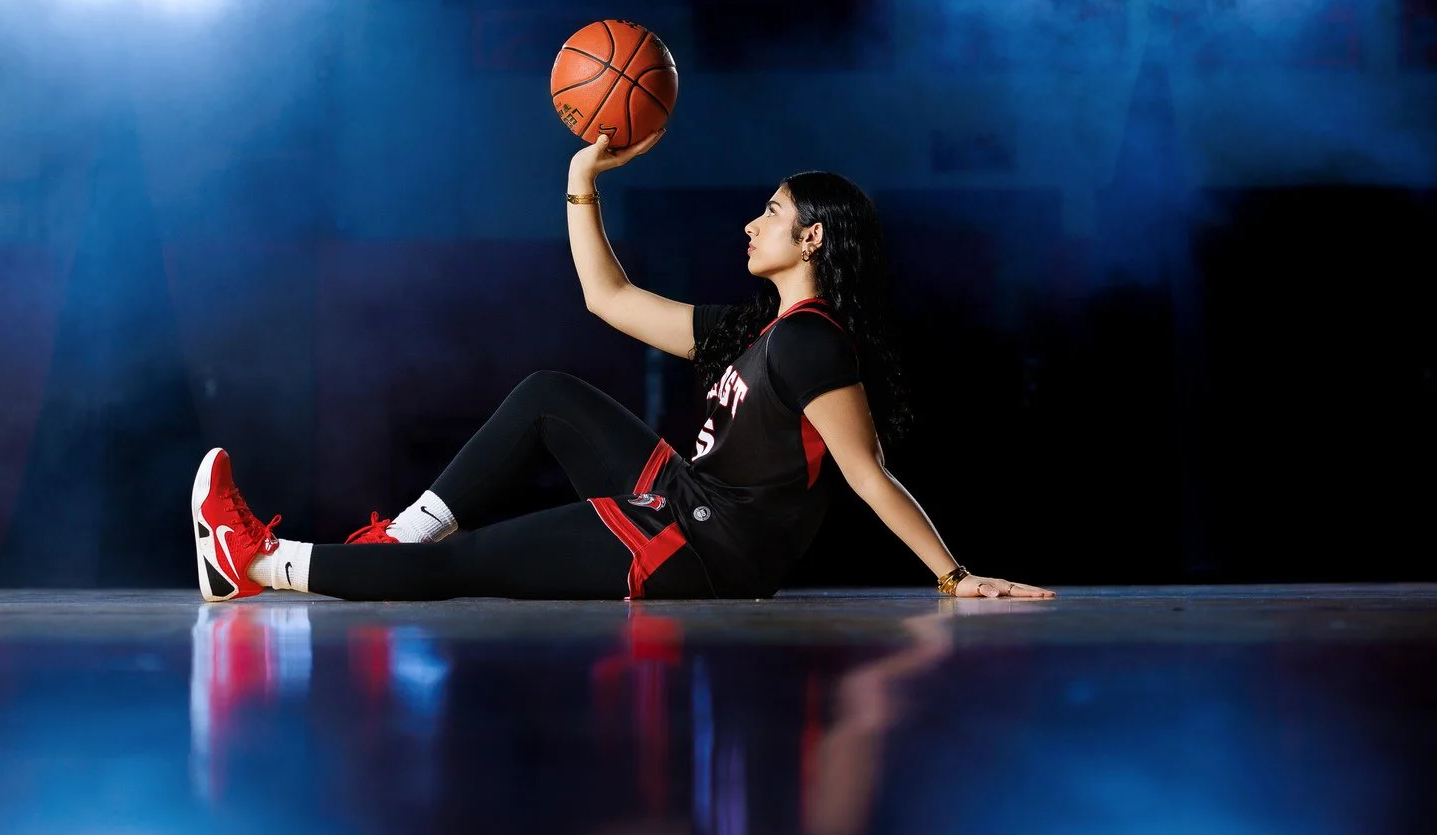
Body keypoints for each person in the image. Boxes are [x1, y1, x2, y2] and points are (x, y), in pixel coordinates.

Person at [190, 130, 1052, 603]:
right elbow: (608, 297)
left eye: (772, 213)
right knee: (549, 397)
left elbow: (867, 475)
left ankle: (258, 561)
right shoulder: (758, 329)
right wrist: (580, 179)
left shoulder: (814, 341)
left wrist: (953, 577)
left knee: (471, 568)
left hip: (704, 548)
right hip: (688, 500)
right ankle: (396, 538)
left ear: (813, 238)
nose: (751, 225)